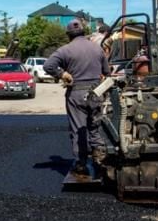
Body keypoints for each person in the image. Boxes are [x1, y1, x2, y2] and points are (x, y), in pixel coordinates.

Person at [43, 18, 111, 176]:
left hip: (76, 93)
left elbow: (48, 66)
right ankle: (99, 159)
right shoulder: (96, 49)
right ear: (83, 32)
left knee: (79, 129)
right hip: (96, 93)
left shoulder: (65, 50)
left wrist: (62, 73)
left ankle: (81, 163)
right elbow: (107, 72)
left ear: (69, 35)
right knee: (95, 127)